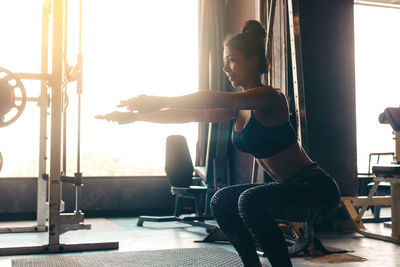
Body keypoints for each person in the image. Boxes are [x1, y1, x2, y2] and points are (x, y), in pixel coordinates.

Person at [96, 20, 341, 267]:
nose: (226, 67)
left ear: (253, 61)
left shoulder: (270, 97)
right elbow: (190, 115)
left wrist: (159, 99)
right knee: (221, 201)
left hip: (315, 190)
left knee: (249, 200)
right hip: (287, 189)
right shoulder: (238, 110)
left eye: (232, 59)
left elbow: (210, 97)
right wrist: (136, 117)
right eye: (225, 60)